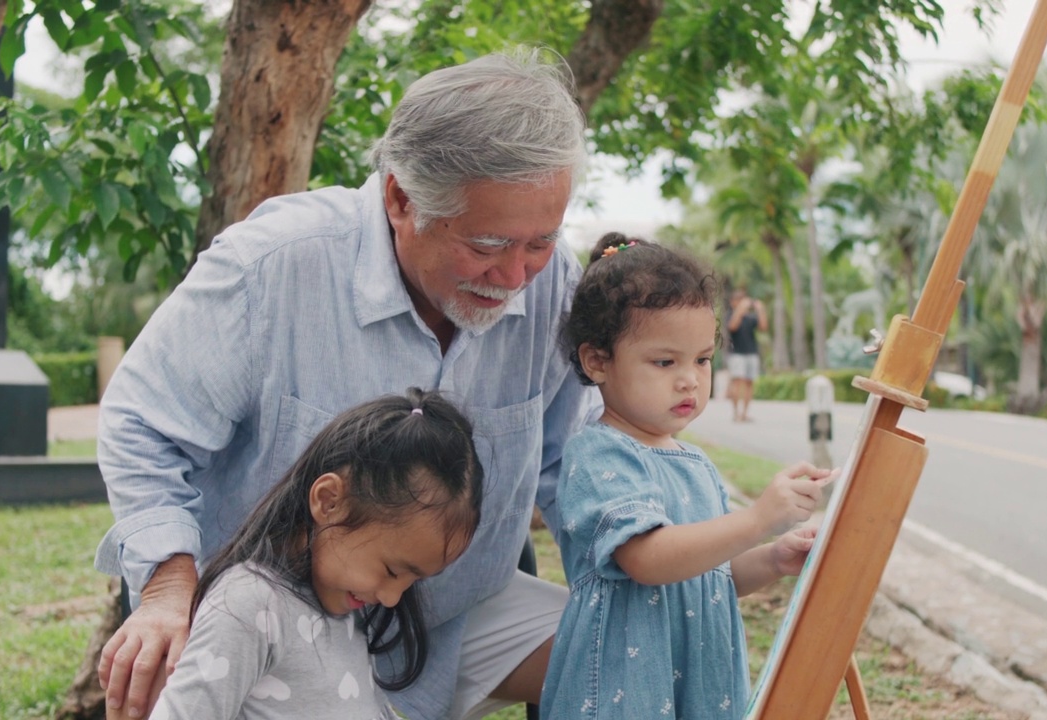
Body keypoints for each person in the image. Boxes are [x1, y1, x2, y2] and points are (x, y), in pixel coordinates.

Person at [94, 49, 598, 720]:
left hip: (452, 617)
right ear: (399, 197)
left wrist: (650, 560)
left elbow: (573, 467)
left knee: (635, 650)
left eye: (539, 242)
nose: (516, 278)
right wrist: (166, 588)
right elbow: (142, 425)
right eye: (485, 244)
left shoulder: (552, 280)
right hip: (280, 626)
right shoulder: (273, 267)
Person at [540, 233, 835, 719]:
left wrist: (774, 557)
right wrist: (759, 517)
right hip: (624, 690)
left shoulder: (696, 465)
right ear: (597, 361)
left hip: (696, 685)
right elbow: (649, 560)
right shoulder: (599, 453)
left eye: (702, 359)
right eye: (665, 362)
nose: (690, 379)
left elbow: (711, 574)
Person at [147, 389, 484, 719]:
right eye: (393, 571)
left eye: (414, 581)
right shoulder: (249, 603)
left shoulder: (340, 605)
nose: (393, 597)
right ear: (329, 501)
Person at [725, 288, 767, 422]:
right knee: (737, 382)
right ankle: (736, 413)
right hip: (737, 354)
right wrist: (740, 309)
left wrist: (760, 309)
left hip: (752, 353)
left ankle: (745, 413)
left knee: (749, 383)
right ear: (733, 302)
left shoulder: (750, 317)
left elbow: (763, 327)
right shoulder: (731, 315)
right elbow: (732, 326)